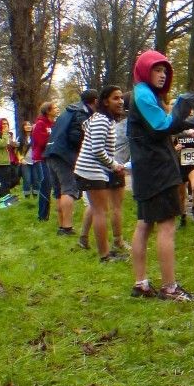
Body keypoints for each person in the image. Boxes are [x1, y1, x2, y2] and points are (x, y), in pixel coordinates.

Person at [128, 50, 194, 301]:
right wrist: (182, 105)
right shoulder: (143, 94)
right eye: (157, 70)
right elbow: (161, 127)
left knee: (144, 224)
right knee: (167, 225)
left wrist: (187, 123)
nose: (162, 75)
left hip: (147, 168)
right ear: (144, 70)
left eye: (164, 71)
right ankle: (169, 288)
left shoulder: (144, 94)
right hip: (157, 169)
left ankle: (140, 284)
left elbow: (158, 125)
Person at [73, 85, 127, 261]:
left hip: (95, 170)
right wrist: (114, 165)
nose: (120, 101)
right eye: (115, 98)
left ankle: (103, 251)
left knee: (99, 211)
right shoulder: (102, 120)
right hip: (90, 170)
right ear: (105, 101)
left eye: (121, 98)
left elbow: (87, 129)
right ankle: (104, 255)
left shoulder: (101, 119)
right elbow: (97, 149)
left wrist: (113, 164)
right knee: (100, 212)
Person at [44, 90, 97, 236]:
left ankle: (61, 226)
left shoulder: (69, 110)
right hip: (63, 155)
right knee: (69, 189)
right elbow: (76, 136)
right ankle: (67, 228)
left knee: (59, 192)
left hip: (51, 152)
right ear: (94, 101)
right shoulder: (81, 113)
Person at [0, 118, 21, 208]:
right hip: (1, 163)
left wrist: (14, 145)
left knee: (16, 180)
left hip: (11, 161)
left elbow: (9, 146)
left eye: (6, 123)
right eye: (3, 124)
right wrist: (5, 134)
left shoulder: (7, 135)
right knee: (5, 183)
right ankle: (6, 204)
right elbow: (2, 144)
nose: (5, 125)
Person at [31, 102, 57, 222]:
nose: (57, 109)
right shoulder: (40, 124)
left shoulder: (54, 124)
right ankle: (42, 215)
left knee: (53, 185)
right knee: (45, 186)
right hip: (42, 158)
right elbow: (40, 141)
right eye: (54, 107)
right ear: (48, 111)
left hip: (53, 157)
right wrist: (53, 140)